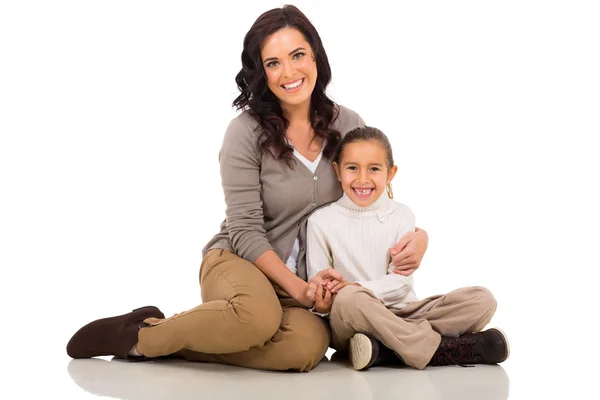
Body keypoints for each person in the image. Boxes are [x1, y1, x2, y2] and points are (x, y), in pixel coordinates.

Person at [65, 5, 430, 372]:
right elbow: (245, 231)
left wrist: (418, 236)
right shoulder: (245, 133)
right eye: (273, 63)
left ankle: (177, 339)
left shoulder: (349, 123)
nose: (289, 72)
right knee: (257, 318)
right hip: (238, 260)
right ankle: (139, 338)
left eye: (298, 55)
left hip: (303, 286)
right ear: (261, 72)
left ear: (316, 55)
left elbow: (373, 196)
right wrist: (300, 289)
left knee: (305, 349)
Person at [306, 126, 509, 371]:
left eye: (374, 168)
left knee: (482, 299)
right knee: (349, 298)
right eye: (352, 168)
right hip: (353, 317)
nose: (362, 179)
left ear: (390, 174)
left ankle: (384, 351)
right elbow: (318, 285)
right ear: (337, 171)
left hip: (404, 312)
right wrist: (325, 301)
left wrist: (358, 286)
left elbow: (401, 283)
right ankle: (439, 350)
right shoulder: (321, 221)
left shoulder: (401, 215)